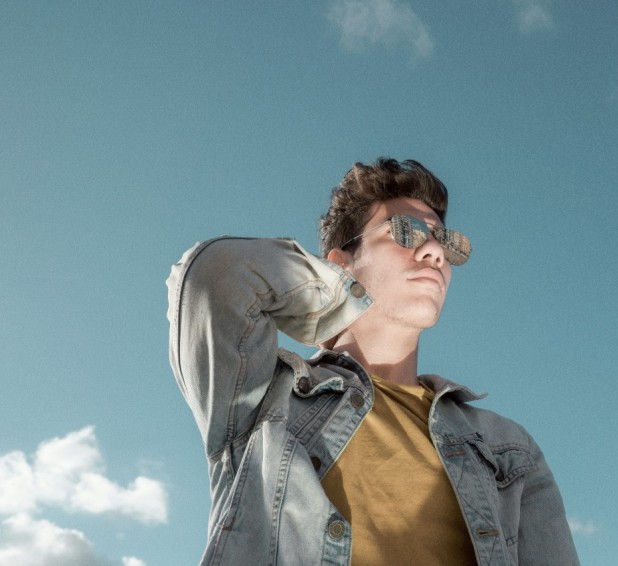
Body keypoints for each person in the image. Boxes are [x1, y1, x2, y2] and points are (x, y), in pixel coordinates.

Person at [166, 158, 581, 565]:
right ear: (340, 263)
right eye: (407, 231)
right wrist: (344, 297)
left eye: (445, 241)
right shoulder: (267, 397)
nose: (435, 251)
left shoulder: (505, 445)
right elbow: (215, 276)